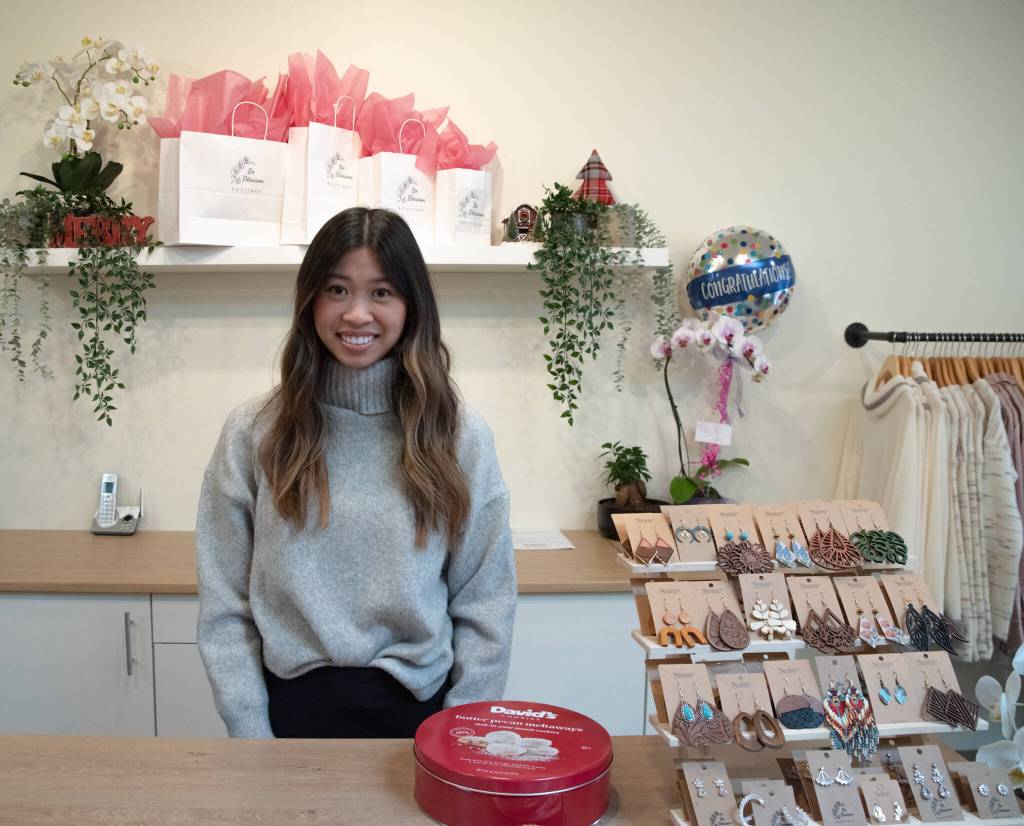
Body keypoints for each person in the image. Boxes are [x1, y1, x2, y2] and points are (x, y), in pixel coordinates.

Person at [195, 208, 516, 739]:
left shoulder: (457, 434)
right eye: (337, 290)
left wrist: (462, 735)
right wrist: (249, 729)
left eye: (382, 293)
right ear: (309, 300)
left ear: (412, 306)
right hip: (284, 717)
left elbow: (486, 604)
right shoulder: (255, 431)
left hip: (424, 718)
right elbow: (226, 604)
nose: (357, 314)